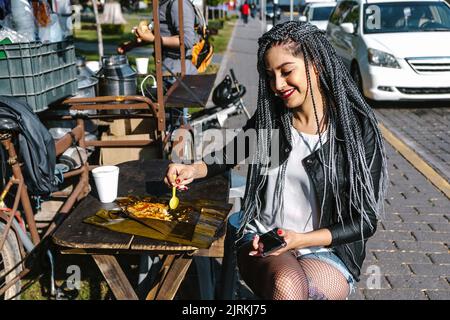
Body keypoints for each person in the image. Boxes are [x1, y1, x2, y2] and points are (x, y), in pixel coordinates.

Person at [164, 21, 388, 300]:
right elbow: (228, 155)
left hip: (327, 251)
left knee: (304, 292)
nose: (278, 85)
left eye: (286, 71)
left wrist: (300, 240)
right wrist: (191, 169)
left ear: (315, 64)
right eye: (270, 76)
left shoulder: (355, 130)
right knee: (287, 285)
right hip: (261, 240)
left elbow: (365, 221)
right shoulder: (271, 120)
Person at [120, 0, 199, 76]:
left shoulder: (178, 4)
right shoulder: (163, 3)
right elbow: (162, 36)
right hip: (166, 71)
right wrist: (132, 45)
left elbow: (187, 41)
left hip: (178, 75)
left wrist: (154, 39)